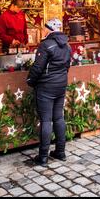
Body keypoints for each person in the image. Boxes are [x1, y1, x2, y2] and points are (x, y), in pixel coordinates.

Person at [27, 18, 71, 166]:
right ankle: (60, 151)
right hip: (61, 85)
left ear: (50, 29)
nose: (43, 30)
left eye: (45, 28)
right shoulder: (67, 46)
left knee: (46, 120)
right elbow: (67, 66)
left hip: (46, 86)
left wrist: (30, 81)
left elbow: (37, 68)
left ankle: (43, 156)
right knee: (58, 118)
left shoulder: (46, 45)